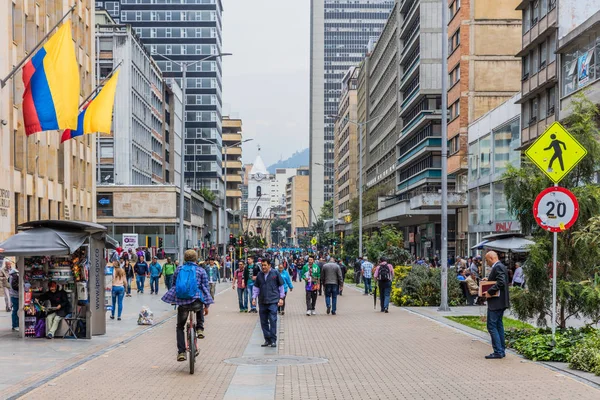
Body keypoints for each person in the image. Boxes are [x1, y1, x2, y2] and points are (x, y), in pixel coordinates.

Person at [161, 249, 213, 362]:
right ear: (196, 259)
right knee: (199, 303)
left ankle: (181, 352)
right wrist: (207, 305)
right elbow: (206, 288)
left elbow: (174, 284)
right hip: (196, 302)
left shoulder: (179, 269)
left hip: (183, 302)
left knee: (180, 327)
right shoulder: (201, 270)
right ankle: (199, 328)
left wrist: (174, 298)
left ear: (185, 258)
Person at [252, 259, 284, 347]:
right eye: (262, 265)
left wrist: (281, 298)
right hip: (262, 301)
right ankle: (267, 339)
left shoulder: (275, 273)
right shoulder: (259, 275)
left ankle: (273, 340)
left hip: (273, 300)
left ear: (269, 265)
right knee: (263, 322)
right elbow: (256, 288)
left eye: (265, 265)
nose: (263, 267)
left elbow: (281, 286)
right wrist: (254, 298)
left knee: (273, 320)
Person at [483, 251, 510, 359]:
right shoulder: (501, 266)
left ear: (490, 258)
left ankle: (498, 351)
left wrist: (490, 292)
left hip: (496, 302)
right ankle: (501, 350)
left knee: (492, 326)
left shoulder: (498, 267)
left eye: (486, 260)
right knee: (498, 325)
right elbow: (499, 281)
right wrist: (489, 280)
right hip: (501, 302)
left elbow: (501, 282)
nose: (486, 263)